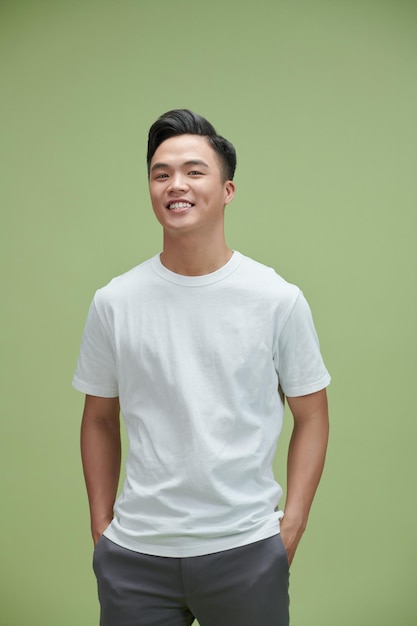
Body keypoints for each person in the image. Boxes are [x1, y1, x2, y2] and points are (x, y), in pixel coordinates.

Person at [73, 109, 331, 626]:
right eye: (161, 173)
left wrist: (291, 528)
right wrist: (102, 529)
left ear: (227, 190)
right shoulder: (115, 301)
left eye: (194, 171)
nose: (176, 184)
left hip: (246, 549)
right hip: (135, 557)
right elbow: (99, 417)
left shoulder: (276, 299)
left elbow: (313, 415)